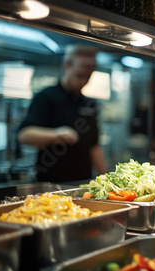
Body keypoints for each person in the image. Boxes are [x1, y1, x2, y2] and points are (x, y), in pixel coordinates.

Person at [18, 44, 106, 183]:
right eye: (79, 75)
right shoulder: (46, 97)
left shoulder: (90, 103)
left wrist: (104, 178)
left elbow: (94, 145)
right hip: (51, 185)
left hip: (82, 184)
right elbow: (24, 135)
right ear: (67, 65)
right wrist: (55, 134)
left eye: (88, 76)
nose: (83, 81)